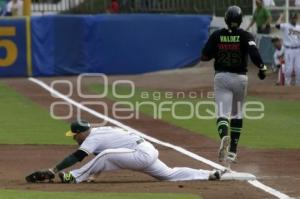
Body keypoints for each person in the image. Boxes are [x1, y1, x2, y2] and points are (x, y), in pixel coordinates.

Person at [26, 120, 225, 183]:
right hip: (146, 151)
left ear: (81, 133)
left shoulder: (92, 137)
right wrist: (94, 175)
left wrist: (54, 169)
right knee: (169, 175)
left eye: (74, 135)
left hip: (141, 153)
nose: (74, 138)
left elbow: (78, 156)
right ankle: (209, 174)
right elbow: (105, 158)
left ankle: (72, 178)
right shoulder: (99, 132)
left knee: (105, 155)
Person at [200, 6, 267, 164]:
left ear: (226, 20)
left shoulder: (217, 35)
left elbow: (204, 56)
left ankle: (224, 136)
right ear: (241, 19)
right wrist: (262, 68)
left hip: (222, 77)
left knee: (222, 114)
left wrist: (217, 52)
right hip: (240, 78)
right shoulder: (245, 35)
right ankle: (233, 152)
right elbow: (254, 53)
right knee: (237, 114)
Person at [275, 13, 300, 86]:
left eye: (295, 18)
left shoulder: (299, 27)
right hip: (289, 50)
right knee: (289, 69)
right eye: (292, 18)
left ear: (297, 18)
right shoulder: (285, 26)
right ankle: (287, 86)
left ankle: (298, 86)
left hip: (298, 50)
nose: (293, 19)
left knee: (298, 68)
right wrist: (280, 17)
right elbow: (277, 25)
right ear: (289, 19)